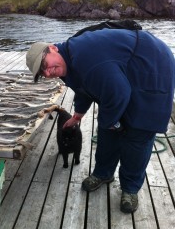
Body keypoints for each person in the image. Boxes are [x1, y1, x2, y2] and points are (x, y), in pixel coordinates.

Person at [26, 28, 175, 213]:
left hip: (152, 67)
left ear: (52, 48)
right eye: (42, 73)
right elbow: (83, 87)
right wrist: (78, 115)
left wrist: (109, 120)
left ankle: (130, 189)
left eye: (44, 64)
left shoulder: (85, 58)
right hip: (122, 73)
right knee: (108, 127)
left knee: (138, 132)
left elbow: (118, 93)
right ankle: (103, 173)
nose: (47, 72)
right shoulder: (67, 62)